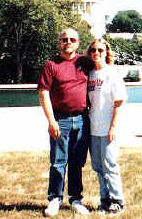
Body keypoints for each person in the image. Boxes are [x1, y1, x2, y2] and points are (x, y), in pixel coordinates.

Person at [38, 28, 91, 217]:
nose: (68, 41)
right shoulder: (51, 65)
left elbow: (103, 65)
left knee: (77, 162)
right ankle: (55, 199)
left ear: (77, 43)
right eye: (64, 39)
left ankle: (76, 199)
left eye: (72, 39)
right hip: (60, 119)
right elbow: (44, 93)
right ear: (59, 42)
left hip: (83, 120)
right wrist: (51, 120)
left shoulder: (85, 63)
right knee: (58, 162)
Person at [86, 38, 127, 214]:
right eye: (94, 50)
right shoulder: (90, 74)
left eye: (100, 50)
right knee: (98, 166)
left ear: (106, 52)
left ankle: (117, 201)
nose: (97, 53)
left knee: (110, 165)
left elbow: (118, 103)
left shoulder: (112, 74)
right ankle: (105, 200)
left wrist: (113, 128)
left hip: (108, 129)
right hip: (93, 128)